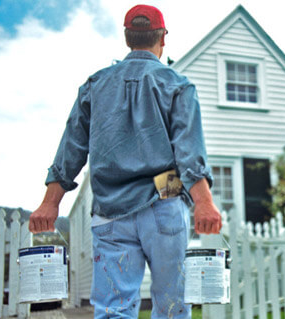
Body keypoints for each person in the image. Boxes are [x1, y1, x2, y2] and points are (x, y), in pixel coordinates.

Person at [29, 4, 222, 318]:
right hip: (165, 193)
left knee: (113, 310)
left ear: (127, 37)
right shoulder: (178, 85)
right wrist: (203, 202)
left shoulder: (95, 85)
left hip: (110, 206)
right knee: (172, 306)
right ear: (163, 38)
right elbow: (188, 152)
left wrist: (50, 203)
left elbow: (72, 147)